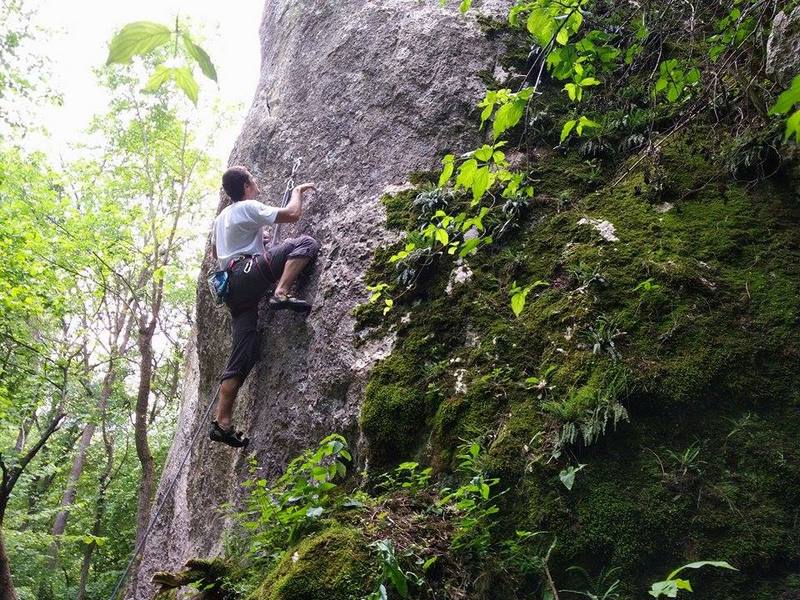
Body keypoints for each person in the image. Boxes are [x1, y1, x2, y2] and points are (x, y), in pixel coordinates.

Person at [209, 165, 320, 447]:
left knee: (243, 354)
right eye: (253, 180)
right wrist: (296, 192)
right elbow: (293, 214)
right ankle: (281, 292)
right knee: (305, 243)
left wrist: (257, 241)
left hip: (233, 289)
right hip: (246, 275)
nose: (256, 183)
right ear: (246, 186)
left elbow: (217, 253)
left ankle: (222, 422)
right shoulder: (247, 207)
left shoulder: (222, 218)